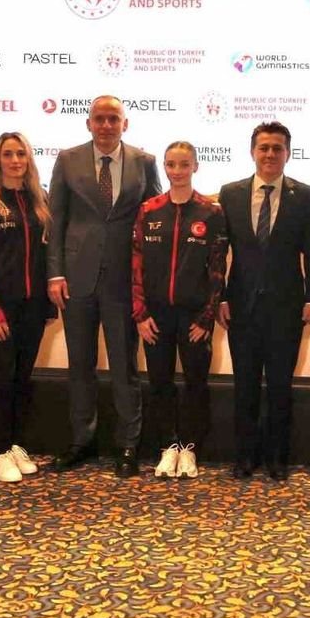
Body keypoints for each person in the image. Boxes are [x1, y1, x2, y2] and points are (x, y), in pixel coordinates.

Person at [46, 96, 161, 478]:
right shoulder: (67, 159)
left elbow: (154, 221)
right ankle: (82, 441)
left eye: (114, 119)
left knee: (125, 367)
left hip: (123, 283)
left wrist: (148, 281)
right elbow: (56, 220)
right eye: (100, 118)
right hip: (76, 280)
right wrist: (55, 274)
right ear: (88, 123)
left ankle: (128, 445)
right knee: (80, 365)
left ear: (125, 124)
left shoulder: (145, 162)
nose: (106, 125)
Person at [217, 122, 310, 480]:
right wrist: (220, 297)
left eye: (277, 148)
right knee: (244, 385)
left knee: (279, 387)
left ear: (287, 153)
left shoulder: (303, 195)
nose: (270, 154)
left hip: (286, 307)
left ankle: (277, 459)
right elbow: (218, 252)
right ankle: (245, 457)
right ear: (252, 152)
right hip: (241, 307)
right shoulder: (230, 194)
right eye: (264, 147)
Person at [131, 142, 228, 479]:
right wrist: (140, 314)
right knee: (159, 382)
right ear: (164, 167)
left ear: (195, 167)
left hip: (194, 317)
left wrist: (207, 318)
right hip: (155, 316)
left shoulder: (211, 213)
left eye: (184, 164)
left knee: (195, 383)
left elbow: (218, 270)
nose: (177, 171)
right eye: (171, 164)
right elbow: (136, 265)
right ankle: (167, 447)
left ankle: (189, 448)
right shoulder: (149, 210)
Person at [0, 132, 53, 483]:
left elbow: (47, 255)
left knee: (22, 378)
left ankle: (16, 445)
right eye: (8, 154)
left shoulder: (40, 200)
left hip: (33, 306)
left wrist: (46, 305)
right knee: (0, 380)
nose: (15, 160)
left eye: (21, 154)